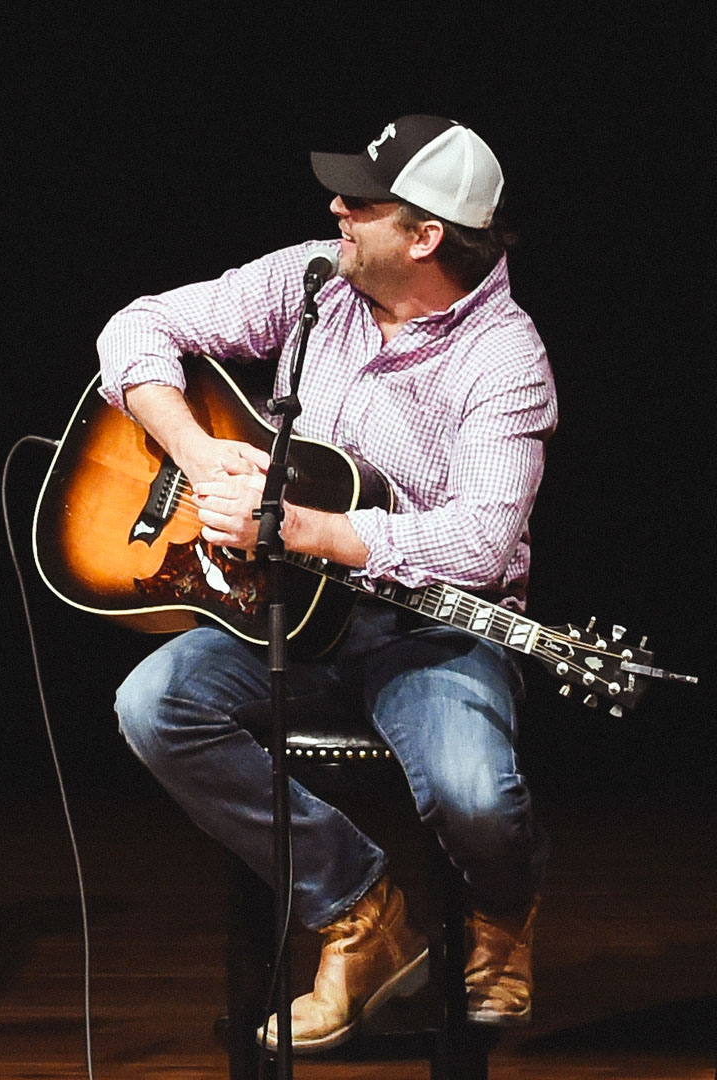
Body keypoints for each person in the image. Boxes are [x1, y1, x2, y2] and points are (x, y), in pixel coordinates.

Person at [100, 115, 553, 1051]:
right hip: (290, 617)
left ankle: (502, 916)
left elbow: (479, 541)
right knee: (153, 706)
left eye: (363, 201)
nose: (336, 208)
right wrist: (198, 453)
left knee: (475, 797)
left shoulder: (508, 359)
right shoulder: (318, 279)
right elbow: (137, 325)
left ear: (425, 236)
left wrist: (304, 526)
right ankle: (362, 913)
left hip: (434, 630)